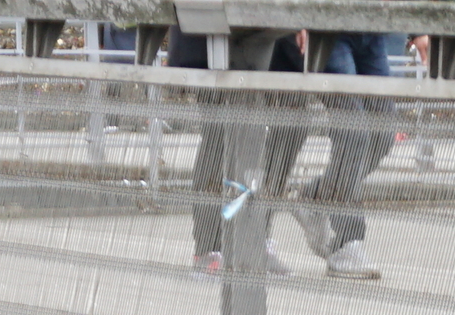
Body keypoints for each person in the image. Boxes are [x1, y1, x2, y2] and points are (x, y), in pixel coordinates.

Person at [168, 23, 309, 277]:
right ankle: (209, 247)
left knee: (293, 121)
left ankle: (256, 235)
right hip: (214, 28)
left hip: (270, 27)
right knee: (219, 132)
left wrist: (295, 17)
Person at [301, 30, 400, 278]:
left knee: (383, 131)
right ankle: (346, 242)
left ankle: (316, 195)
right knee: (353, 131)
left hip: (370, 28)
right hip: (328, 26)